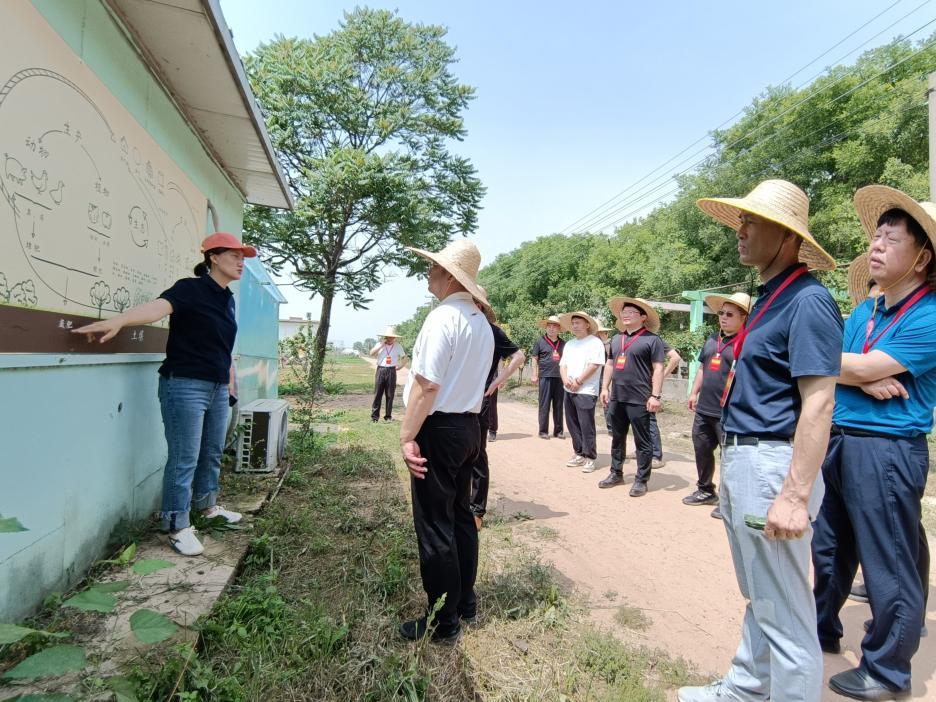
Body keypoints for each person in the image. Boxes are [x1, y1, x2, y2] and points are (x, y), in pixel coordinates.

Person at [678, 180, 843, 702]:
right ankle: (747, 688)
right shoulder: (772, 297)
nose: (740, 232)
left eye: (753, 223)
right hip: (745, 455)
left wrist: (794, 495)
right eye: (740, 221)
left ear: (789, 236)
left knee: (788, 611)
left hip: (773, 462)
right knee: (764, 594)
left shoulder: (809, 301)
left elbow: (819, 401)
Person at [811, 185, 936, 701]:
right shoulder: (864, 313)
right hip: (841, 439)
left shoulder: (929, 314)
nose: (876, 246)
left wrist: (854, 371)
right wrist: (859, 376)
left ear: (922, 257)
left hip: (887, 449)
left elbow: (831, 363)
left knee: (888, 561)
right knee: (828, 548)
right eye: (875, 236)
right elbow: (842, 364)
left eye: (891, 238)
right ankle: (821, 627)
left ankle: (887, 671)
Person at [73, 232, 252, 556]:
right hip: (184, 385)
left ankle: (207, 506)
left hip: (216, 387)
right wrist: (119, 321)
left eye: (243, 257)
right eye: (235, 255)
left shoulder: (227, 299)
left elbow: (220, 345)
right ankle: (176, 525)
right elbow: (157, 308)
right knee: (184, 457)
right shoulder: (190, 289)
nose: (241, 262)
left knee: (211, 451)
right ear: (213, 257)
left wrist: (228, 378)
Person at [397, 239, 494, 645]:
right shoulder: (481, 322)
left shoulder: (442, 318)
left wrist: (406, 434)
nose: (429, 274)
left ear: (450, 276)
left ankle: (443, 620)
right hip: (470, 428)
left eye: (434, 268)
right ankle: (465, 601)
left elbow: (428, 383)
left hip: (440, 429)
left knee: (435, 525)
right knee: (459, 518)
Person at [683, 292, 750, 510]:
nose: (723, 317)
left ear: (744, 318)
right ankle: (705, 490)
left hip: (729, 412)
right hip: (704, 409)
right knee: (702, 449)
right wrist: (694, 392)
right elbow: (703, 367)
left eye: (730, 314)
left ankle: (729, 501)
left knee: (729, 457)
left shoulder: (746, 343)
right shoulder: (713, 339)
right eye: (721, 313)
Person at [470, 287, 525, 530]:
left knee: (477, 454)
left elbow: (519, 357)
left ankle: (476, 510)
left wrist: (497, 382)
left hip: (480, 400)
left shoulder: (492, 332)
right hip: (455, 401)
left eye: (472, 301)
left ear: (480, 305)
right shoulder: (461, 329)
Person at [598, 297, 665, 496]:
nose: (625, 315)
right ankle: (615, 472)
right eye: (623, 312)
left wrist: (655, 396)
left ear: (643, 317)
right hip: (617, 397)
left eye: (631, 312)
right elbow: (609, 364)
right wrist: (604, 388)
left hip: (640, 398)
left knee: (642, 441)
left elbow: (658, 368)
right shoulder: (617, 339)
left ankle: (641, 479)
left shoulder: (652, 340)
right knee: (617, 438)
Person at [557, 311, 606, 473]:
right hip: (568, 388)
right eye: (573, 323)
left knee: (586, 424)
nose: (575, 326)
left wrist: (579, 381)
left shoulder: (594, 342)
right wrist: (565, 380)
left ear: (587, 325)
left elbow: (594, 364)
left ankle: (590, 456)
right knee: (572, 423)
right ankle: (579, 453)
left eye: (578, 323)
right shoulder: (570, 344)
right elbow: (562, 365)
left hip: (586, 389)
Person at [530, 314, 566, 439]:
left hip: (560, 378)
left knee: (559, 405)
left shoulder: (563, 344)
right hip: (545, 377)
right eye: (549, 326)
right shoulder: (540, 341)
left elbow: (567, 362)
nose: (551, 329)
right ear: (546, 328)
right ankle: (543, 431)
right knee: (544, 404)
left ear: (559, 329)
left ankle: (559, 431)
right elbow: (534, 359)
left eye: (554, 326)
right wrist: (534, 374)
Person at [369, 327, 406, 422]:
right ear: (385, 337)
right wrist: (381, 345)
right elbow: (371, 353)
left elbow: (404, 358)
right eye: (388, 337)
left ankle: (388, 416)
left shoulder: (398, 346)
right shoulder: (379, 344)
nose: (390, 339)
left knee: (390, 394)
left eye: (392, 337)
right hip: (381, 369)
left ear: (395, 338)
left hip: (391, 371)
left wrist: (401, 366)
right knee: (378, 394)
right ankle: (374, 417)